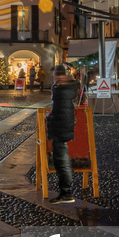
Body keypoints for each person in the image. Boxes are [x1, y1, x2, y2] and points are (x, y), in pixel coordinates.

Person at [46, 64, 78, 204]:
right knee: (61, 159)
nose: (54, 78)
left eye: (55, 75)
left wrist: (50, 118)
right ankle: (66, 191)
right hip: (63, 125)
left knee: (62, 161)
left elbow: (58, 106)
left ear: (59, 75)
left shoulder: (61, 88)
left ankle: (66, 192)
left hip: (60, 127)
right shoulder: (69, 87)